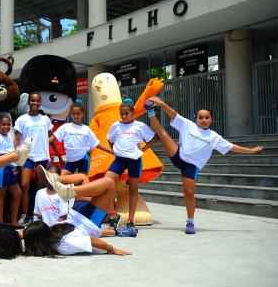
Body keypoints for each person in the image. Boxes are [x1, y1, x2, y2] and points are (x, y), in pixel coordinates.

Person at [146, 96, 264, 234]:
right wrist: (161, 104)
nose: (203, 120)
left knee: (189, 193)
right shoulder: (187, 124)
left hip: (191, 167)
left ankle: (190, 222)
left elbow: (232, 147)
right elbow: (173, 114)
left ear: (211, 120)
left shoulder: (214, 137)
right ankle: (150, 111)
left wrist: (251, 151)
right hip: (178, 155)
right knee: (162, 133)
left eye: (206, 117)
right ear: (196, 119)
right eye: (200, 117)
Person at [105, 97, 157, 237]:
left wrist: (143, 150)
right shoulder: (116, 126)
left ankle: (130, 220)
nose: (124, 116)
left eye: (126, 113)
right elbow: (109, 140)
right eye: (121, 113)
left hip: (134, 159)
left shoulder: (140, 126)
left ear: (132, 113)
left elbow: (153, 138)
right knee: (107, 182)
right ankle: (112, 215)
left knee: (133, 189)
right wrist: (115, 150)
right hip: (120, 160)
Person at [14, 93, 53, 225]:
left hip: (42, 157)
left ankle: (39, 215)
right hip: (27, 157)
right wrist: (15, 158)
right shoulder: (21, 119)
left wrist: (51, 155)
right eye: (32, 100)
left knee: (41, 188)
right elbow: (17, 139)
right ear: (29, 102)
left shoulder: (45, 119)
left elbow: (49, 136)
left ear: (40, 103)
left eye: (37, 101)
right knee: (25, 185)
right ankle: (26, 215)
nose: (35, 103)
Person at [53, 103, 112, 176]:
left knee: (82, 180)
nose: (76, 116)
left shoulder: (86, 129)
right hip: (70, 161)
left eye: (78, 114)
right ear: (70, 114)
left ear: (82, 114)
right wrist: (59, 157)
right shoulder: (65, 127)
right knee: (62, 179)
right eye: (73, 114)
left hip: (83, 160)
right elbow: (51, 140)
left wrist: (111, 151)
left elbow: (97, 144)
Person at [0, 114, 23, 225]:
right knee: (0, 195)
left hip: (10, 168)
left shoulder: (9, 136)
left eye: (8, 124)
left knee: (17, 193)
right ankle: (0, 223)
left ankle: (13, 221)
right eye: (3, 124)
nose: (6, 127)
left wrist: (14, 165)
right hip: (1, 169)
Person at [23, 221, 131, 257]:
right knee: (99, 232)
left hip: (87, 229)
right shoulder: (51, 231)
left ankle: (118, 231)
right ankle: (114, 230)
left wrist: (112, 249)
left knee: (97, 233)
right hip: (77, 227)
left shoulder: (64, 246)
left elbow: (91, 240)